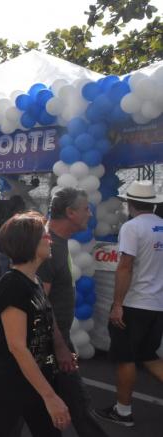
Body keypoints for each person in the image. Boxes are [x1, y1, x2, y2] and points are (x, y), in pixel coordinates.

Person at [0, 212, 70, 437]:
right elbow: (17, 347)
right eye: (45, 237)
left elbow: (43, 325)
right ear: (28, 244)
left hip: (35, 379)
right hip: (9, 385)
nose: (50, 241)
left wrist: (59, 351)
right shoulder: (12, 285)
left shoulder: (35, 280)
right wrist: (50, 397)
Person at [34, 187, 107, 437]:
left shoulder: (59, 242)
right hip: (50, 345)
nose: (90, 213)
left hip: (55, 342)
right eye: (86, 208)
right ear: (70, 212)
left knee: (57, 410)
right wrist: (61, 346)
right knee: (78, 408)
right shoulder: (48, 246)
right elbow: (40, 303)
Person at [94, 180, 163, 427]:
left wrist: (117, 304)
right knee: (149, 356)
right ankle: (122, 409)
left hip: (134, 303)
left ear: (129, 203)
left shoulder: (132, 227)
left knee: (126, 358)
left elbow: (125, 267)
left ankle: (123, 411)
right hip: (156, 304)